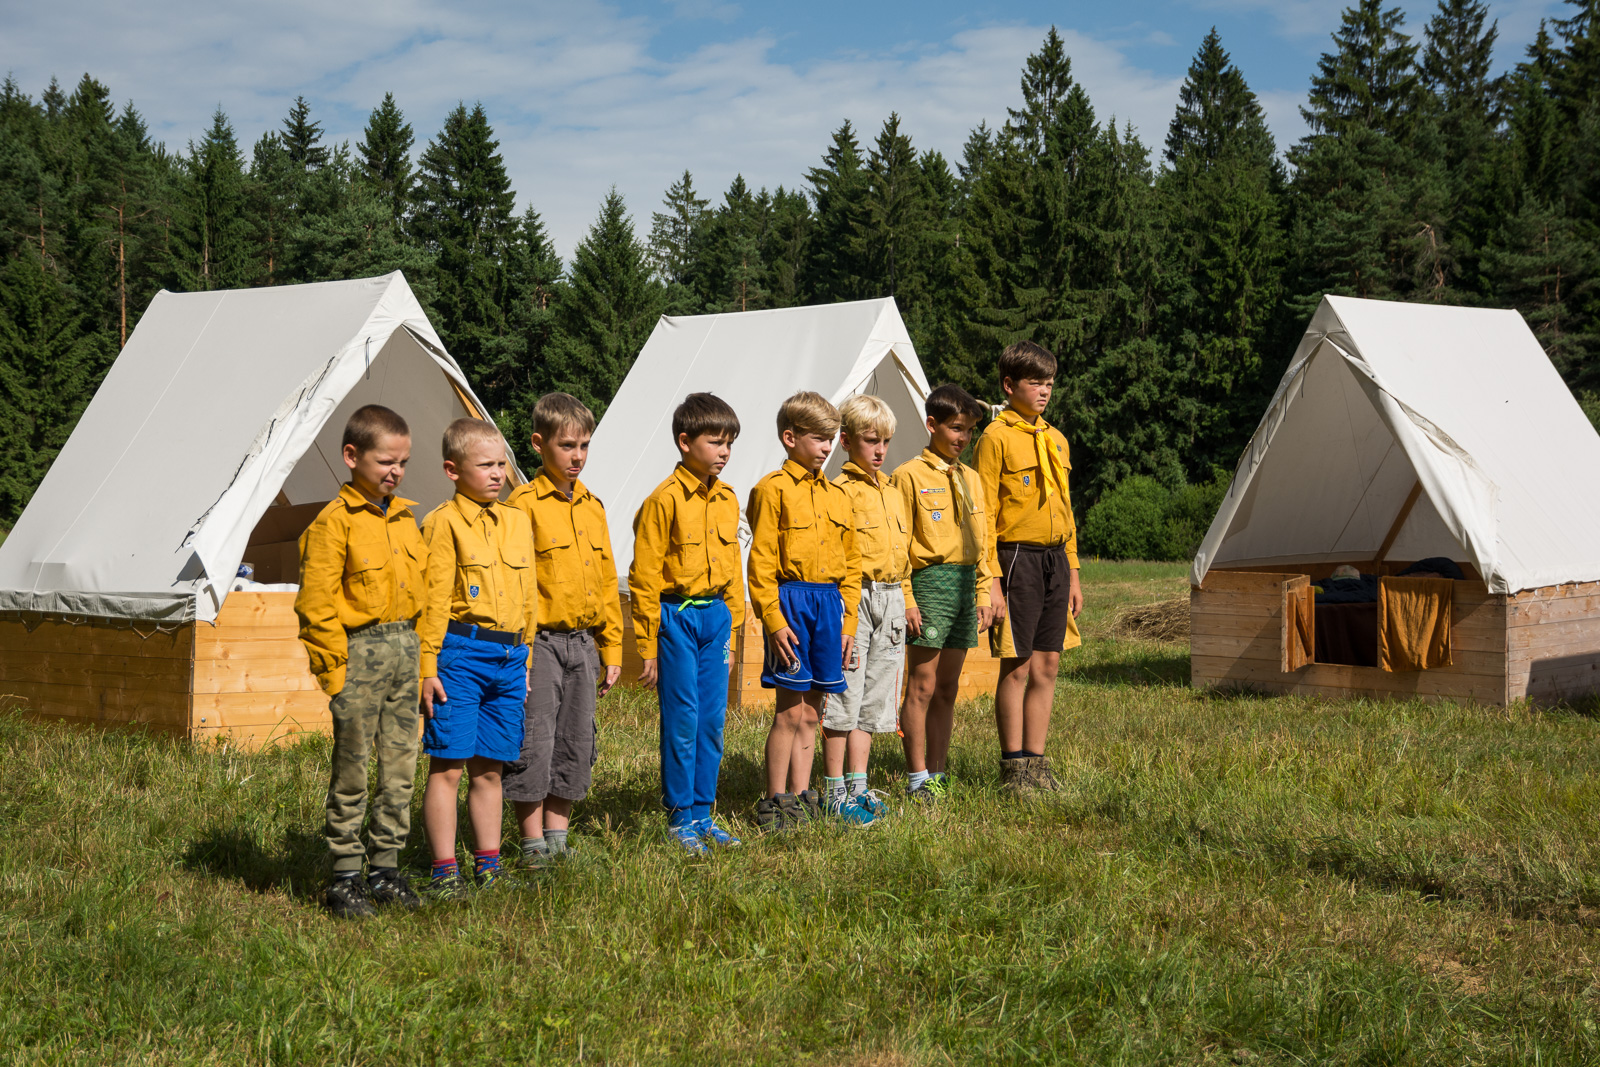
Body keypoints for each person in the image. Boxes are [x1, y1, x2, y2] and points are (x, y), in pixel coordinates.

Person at [295, 404, 427, 919]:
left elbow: (423, 595)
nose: (396, 471)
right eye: (385, 461)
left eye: (403, 462)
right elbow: (315, 605)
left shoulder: (407, 518)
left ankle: (385, 871)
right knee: (352, 770)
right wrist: (336, 675)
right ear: (352, 456)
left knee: (400, 768)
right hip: (359, 654)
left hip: (405, 651)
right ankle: (345, 876)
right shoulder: (333, 524)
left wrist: (424, 660)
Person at [416, 418, 537, 896]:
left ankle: (489, 866)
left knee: (491, 767)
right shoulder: (441, 523)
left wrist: (526, 661)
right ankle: (444, 872)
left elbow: (529, 596)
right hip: (459, 656)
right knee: (448, 764)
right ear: (452, 470)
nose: (497, 474)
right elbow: (431, 603)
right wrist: (427, 667)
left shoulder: (517, 521)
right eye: (485, 465)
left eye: (501, 464)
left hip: (510, 657)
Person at [503, 393, 623, 867]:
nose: (577, 456)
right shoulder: (521, 506)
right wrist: (522, 655)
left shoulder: (593, 506)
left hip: (583, 643)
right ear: (539, 443)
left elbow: (607, 580)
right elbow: (515, 585)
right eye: (567, 445)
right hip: (541, 644)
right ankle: (532, 844)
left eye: (584, 446)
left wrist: (611, 648)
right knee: (535, 740)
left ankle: (558, 838)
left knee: (577, 739)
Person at [629, 393, 746, 854]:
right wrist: (647, 644)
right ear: (684, 441)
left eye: (729, 443)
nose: (724, 452)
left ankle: (703, 813)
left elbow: (733, 567)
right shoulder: (663, 501)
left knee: (712, 721)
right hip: (676, 617)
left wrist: (733, 630)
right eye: (715, 442)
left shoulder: (728, 498)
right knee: (683, 720)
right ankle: (680, 818)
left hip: (715, 618)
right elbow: (643, 577)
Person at [747, 391, 862, 831]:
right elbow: (760, 563)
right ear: (790, 437)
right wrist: (774, 621)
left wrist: (848, 622)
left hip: (830, 605)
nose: (827, 447)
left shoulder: (838, 497)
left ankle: (802, 795)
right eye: (819, 438)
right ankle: (774, 799)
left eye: (831, 438)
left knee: (814, 711)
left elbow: (852, 565)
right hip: (792, 603)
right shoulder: (771, 490)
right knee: (790, 711)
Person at [974, 341, 1082, 794]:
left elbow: (1066, 508)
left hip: (1056, 559)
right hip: (1016, 557)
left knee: (1048, 664)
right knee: (1017, 666)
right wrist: (990, 580)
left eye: (1049, 383)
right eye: (1035, 382)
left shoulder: (1056, 439)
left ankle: (1037, 762)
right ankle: (1013, 767)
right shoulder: (995, 438)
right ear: (1008, 385)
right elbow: (982, 515)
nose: (1044, 391)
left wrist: (1074, 573)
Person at [891, 384, 995, 803]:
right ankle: (917, 776)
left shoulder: (972, 478)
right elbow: (899, 545)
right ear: (931, 424)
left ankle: (937, 772)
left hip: (965, 586)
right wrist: (907, 598)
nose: (963, 438)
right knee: (922, 685)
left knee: (948, 688)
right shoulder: (908, 475)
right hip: (929, 584)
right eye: (956, 428)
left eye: (969, 430)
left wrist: (984, 593)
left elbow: (983, 543)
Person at [820, 394, 912, 823]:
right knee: (845, 694)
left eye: (885, 441)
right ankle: (833, 790)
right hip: (854, 598)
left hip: (891, 599)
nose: (880, 450)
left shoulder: (893, 491)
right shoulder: (837, 491)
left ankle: (858, 786)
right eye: (871, 440)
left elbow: (903, 553)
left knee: (874, 699)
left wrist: (907, 598)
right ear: (846, 441)